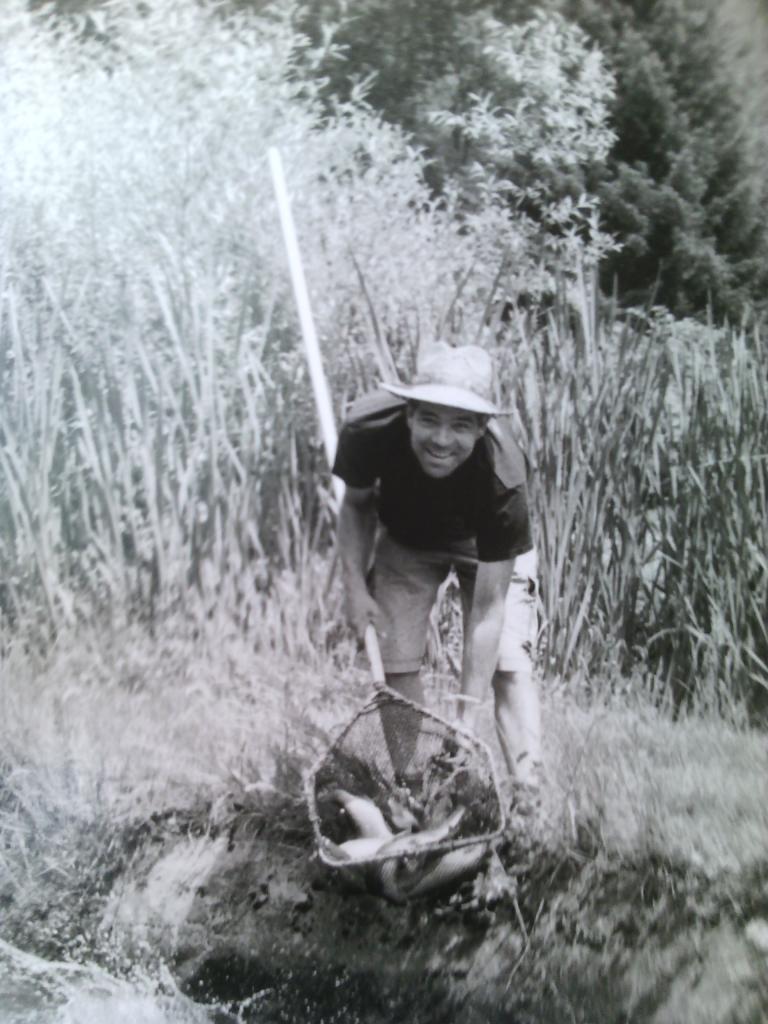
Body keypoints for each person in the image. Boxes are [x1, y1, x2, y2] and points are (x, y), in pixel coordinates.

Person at [332, 341, 541, 796]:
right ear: (408, 413)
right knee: (394, 658)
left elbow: (487, 610)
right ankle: (422, 788)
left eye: (461, 425)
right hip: (406, 538)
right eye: (428, 419)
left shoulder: (504, 478)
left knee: (508, 662)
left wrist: (467, 717)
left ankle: (529, 799)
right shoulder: (367, 428)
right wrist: (355, 588)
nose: (441, 440)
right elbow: (356, 506)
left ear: (483, 427)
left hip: (484, 546)